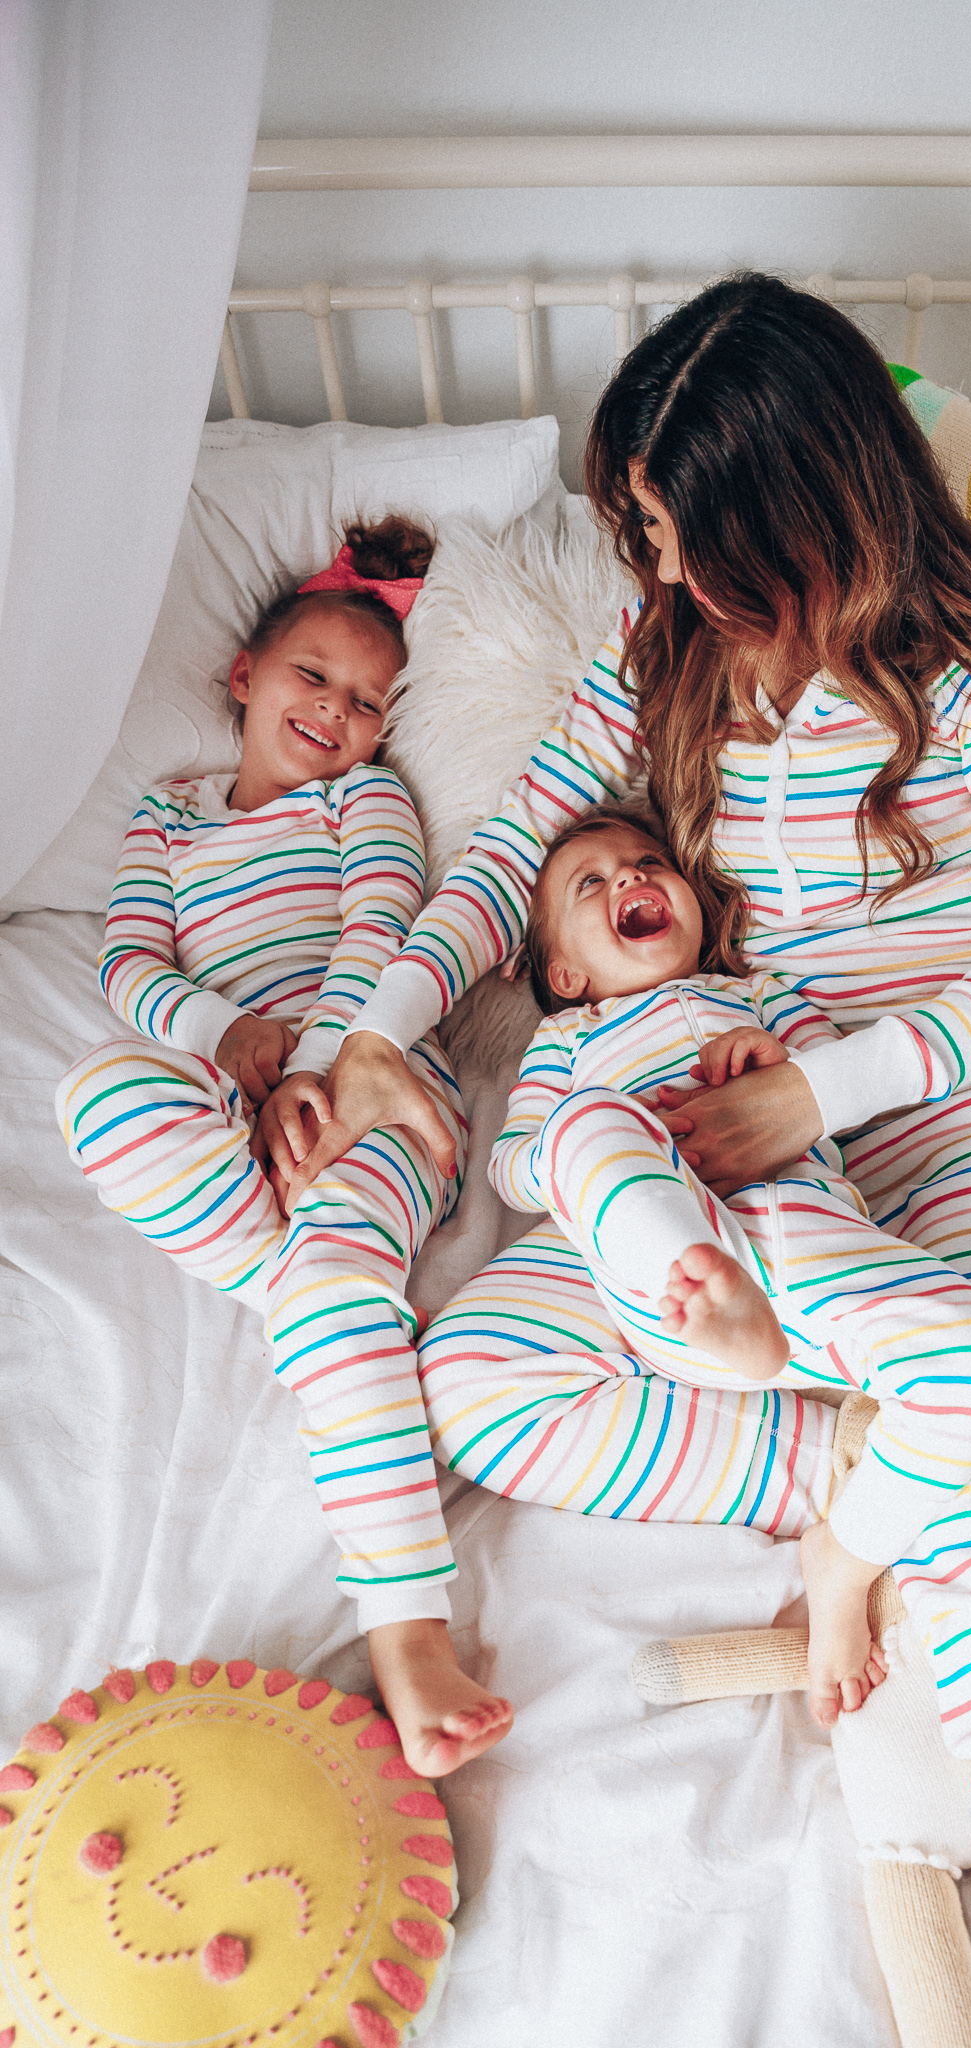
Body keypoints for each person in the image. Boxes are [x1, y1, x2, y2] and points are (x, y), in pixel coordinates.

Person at [282, 277, 971, 2043]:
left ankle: (949, 1512)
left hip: (964, 1113)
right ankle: (895, 1465)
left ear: (808, 513)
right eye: (636, 531)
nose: (652, 572)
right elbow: (499, 866)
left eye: (679, 536)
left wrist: (828, 1084)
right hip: (714, 1121)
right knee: (478, 1377)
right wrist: (383, 1028)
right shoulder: (667, 662)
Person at [55, 518, 511, 1778]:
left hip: (378, 1082)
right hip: (241, 1098)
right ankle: (324, 1297)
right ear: (243, 677)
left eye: (368, 699)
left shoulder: (364, 798)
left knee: (329, 1250)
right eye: (313, 675)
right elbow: (127, 966)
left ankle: (409, 1629)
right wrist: (236, 1042)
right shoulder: (168, 818)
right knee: (98, 1095)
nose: (338, 710)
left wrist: (317, 1064)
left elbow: (382, 928)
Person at [495, 801, 971, 1718]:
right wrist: (597, 1132)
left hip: (798, 1244)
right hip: (664, 1290)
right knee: (582, 1125)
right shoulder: (566, 1042)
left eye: (647, 861)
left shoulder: (760, 994)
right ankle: (715, 1293)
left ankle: (847, 1552)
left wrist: (777, 1062)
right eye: (593, 883)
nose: (631, 877)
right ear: (565, 970)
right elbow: (514, 1170)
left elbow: (837, 1092)